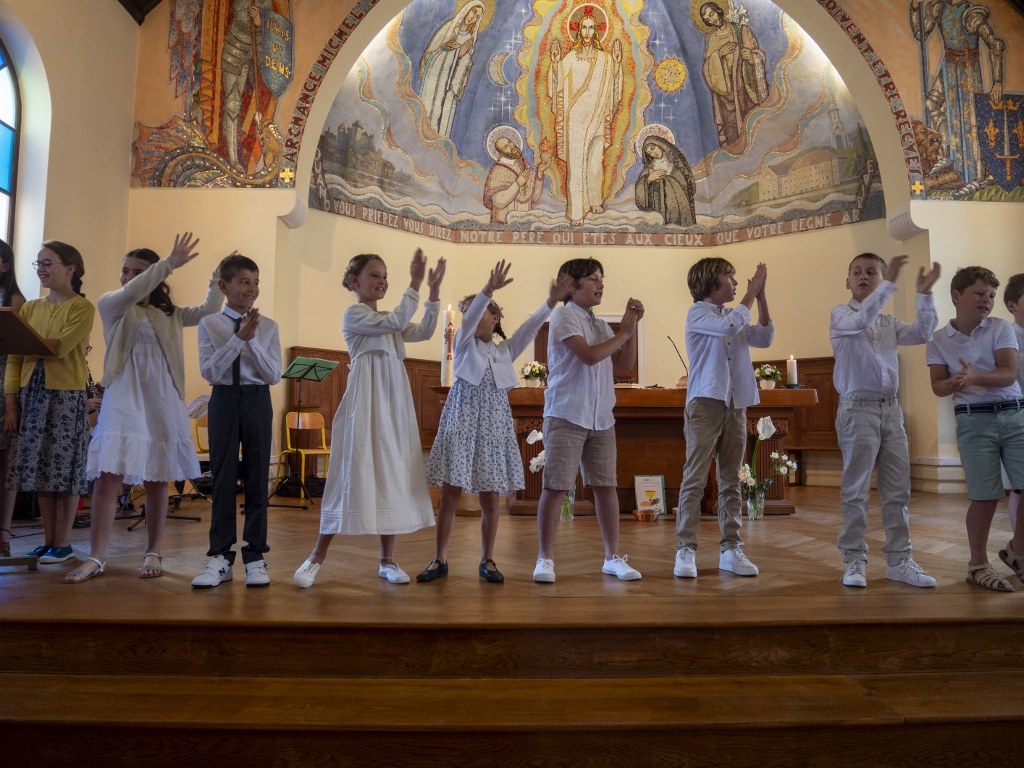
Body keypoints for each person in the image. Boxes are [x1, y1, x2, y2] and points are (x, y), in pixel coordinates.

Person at [64, 233, 223, 583]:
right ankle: (97, 555)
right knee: (109, 476)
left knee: (156, 477)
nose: (127, 277)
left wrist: (217, 279)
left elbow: (209, 310)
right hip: (124, 396)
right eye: (125, 270)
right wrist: (169, 262)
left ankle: (153, 550)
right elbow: (133, 291)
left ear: (155, 277)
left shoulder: (170, 314)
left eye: (137, 271)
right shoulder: (112, 304)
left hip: (162, 398)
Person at [293, 249, 446, 588]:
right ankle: (316, 557)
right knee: (350, 471)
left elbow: (424, 331)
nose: (382, 281)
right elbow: (394, 323)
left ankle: (387, 560)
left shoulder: (390, 318)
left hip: (394, 401)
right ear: (354, 280)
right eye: (375, 275)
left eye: (385, 276)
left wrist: (433, 293)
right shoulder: (355, 314)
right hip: (366, 401)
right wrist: (415, 283)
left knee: (392, 471)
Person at [420, 260, 571, 584]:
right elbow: (469, 319)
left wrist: (550, 302)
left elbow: (529, 328)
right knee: (450, 495)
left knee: (491, 498)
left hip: (493, 428)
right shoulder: (463, 344)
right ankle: (439, 558)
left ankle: (487, 558)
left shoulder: (504, 352)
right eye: (469, 312)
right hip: (462, 423)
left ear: (495, 318)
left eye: (480, 310)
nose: (471, 316)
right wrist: (487, 290)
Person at [830, 253, 941, 589]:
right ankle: (854, 559)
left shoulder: (889, 323)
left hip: (891, 410)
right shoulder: (840, 315)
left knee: (897, 490)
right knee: (856, 490)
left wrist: (924, 294)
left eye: (871, 272)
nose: (863, 277)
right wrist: (889, 284)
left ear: (880, 280)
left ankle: (899, 560)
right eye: (857, 272)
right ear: (847, 281)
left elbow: (924, 332)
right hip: (857, 410)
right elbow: (861, 320)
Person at [532, 257, 643, 583]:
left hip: (601, 417)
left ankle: (612, 557)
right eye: (593, 279)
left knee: (606, 487)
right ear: (572, 285)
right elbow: (590, 356)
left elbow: (623, 366)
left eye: (601, 278)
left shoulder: (600, 325)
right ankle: (545, 558)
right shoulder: (563, 316)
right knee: (555, 487)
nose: (601, 284)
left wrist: (632, 329)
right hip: (567, 413)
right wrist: (624, 332)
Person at [926, 266, 1024, 592]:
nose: (987, 300)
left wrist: (973, 378)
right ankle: (978, 565)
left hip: (1014, 415)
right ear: (957, 296)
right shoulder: (939, 339)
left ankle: (1018, 553)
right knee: (985, 496)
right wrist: (952, 383)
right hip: (973, 420)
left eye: (992, 295)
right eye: (980, 293)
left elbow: (1008, 374)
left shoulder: (1000, 328)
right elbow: (938, 386)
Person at [674, 258, 772, 580]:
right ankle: (685, 549)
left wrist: (761, 297)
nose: (735, 281)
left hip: (735, 404)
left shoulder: (734, 314)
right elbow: (729, 327)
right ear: (710, 282)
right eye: (729, 276)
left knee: (731, 479)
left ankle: (731, 548)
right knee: (695, 478)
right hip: (706, 402)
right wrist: (751, 293)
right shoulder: (698, 313)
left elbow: (765, 337)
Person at [191, 253, 281, 588]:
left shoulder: (269, 326)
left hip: (258, 399)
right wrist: (237, 338)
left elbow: (272, 375)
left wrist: (252, 339)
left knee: (257, 477)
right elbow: (211, 371)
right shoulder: (209, 324)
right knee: (223, 477)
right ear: (224, 286)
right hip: (224, 399)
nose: (252, 288)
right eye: (244, 281)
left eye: (255, 282)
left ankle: (255, 556)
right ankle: (220, 557)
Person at [3, 242, 95, 565]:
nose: (41, 269)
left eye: (48, 263)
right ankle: (48, 541)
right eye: (38, 263)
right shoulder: (31, 309)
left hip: (66, 396)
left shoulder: (82, 308)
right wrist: (11, 402)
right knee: (41, 468)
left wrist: (25, 341)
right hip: (31, 394)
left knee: (64, 469)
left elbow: (60, 347)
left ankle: (64, 543)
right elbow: (14, 357)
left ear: (70, 269)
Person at [909, 0, 1005, 185]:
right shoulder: (939, 8)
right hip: (949, 66)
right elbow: (920, 34)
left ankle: (975, 173)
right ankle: (948, 152)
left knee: (968, 119)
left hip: (968, 70)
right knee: (932, 103)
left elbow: (995, 45)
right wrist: (914, 8)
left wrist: (998, 82)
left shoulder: (972, 14)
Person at [548, 7, 623, 226]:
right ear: (578, 31)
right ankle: (576, 212)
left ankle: (595, 201)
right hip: (576, 119)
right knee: (577, 164)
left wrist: (617, 64)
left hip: (598, 116)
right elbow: (559, 84)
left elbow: (613, 85)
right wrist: (555, 63)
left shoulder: (605, 59)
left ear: (597, 31)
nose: (588, 32)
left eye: (591, 28)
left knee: (594, 163)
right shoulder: (571, 57)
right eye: (584, 28)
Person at [699, 1, 769, 151]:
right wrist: (719, 54)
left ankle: (759, 147)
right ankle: (740, 154)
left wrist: (751, 56)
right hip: (725, 91)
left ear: (718, 10)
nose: (712, 19)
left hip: (744, 85)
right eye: (707, 19)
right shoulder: (712, 39)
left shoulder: (740, 30)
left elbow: (759, 54)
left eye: (711, 14)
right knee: (732, 130)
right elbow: (707, 69)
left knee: (750, 120)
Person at [417, 0, 484, 139]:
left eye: (477, 16)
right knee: (429, 116)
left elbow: (465, 65)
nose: (473, 17)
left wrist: (462, 55)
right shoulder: (449, 28)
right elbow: (429, 55)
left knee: (443, 121)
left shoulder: (470, 39)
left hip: (451, 88)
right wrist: (455, 52)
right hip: (435, 84)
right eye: (473, 11)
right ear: (467, 9)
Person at [0, 239, 26, 558]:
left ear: (5, 265)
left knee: (6, 462)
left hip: (4, 385)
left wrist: (11, 403)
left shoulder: (15, 299)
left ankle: (4, 533)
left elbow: (17, 349)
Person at [483, 131, 549, 225]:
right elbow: (498, 202)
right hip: (504, 224)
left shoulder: (523, 166)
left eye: (510, 142)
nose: (511, 146)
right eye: (506, 147)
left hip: (524, 223)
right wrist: (517, 184)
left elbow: (533, 198)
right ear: (502, 154)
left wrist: (539, 174)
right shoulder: (498, 170)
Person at [1001, 273, 1024, 534]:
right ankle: (1020, 546)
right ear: (1012, 305)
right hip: (1017, 418)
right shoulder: (1006, 338)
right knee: (1020, 487)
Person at [634, 135, 697, 226]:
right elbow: (640, 193)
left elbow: (687, 186)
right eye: (649, 152)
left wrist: (668, 181)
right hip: (658, 209)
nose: (653, 153)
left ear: (660, 145)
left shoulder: (676, 164)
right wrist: (648, 179)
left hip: (677, 209)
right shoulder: (649, 169)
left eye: (653, 148)